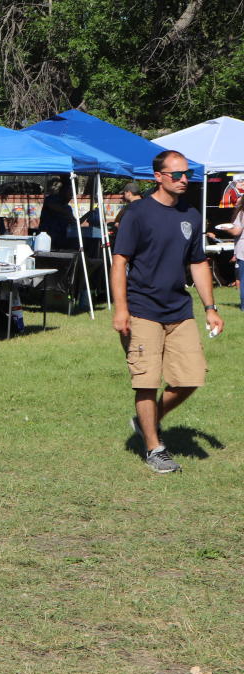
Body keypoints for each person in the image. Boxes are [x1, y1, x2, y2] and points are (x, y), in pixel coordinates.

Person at [112, 149, 223, 474]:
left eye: (186, 173)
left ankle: (148, 420)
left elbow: (198, 262)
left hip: (179, 309)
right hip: (142, 310)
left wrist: (211, 308)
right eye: (177, 174)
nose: (184, 179)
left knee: (192, 377)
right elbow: (120, 262)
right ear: (158, 177)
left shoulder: (190, 214)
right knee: (146, 381)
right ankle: (154, 448)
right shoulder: (138, 213)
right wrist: (121, 309)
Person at [221, 193, 244, 310]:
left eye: (239, 198)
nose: (237, 200)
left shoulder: (241, 214)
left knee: (242, 279)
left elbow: (236, 232)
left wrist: (227, 229)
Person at [37, 181, 74, 248]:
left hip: (61, 239)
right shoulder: (51, 200)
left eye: (72, 194)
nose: (71, 196)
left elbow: (74, 221)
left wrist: (88, 214)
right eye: (70, 193)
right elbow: (53, 206)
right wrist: (66, 212)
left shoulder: (68, 208)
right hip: (47, 238)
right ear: (63, 192)